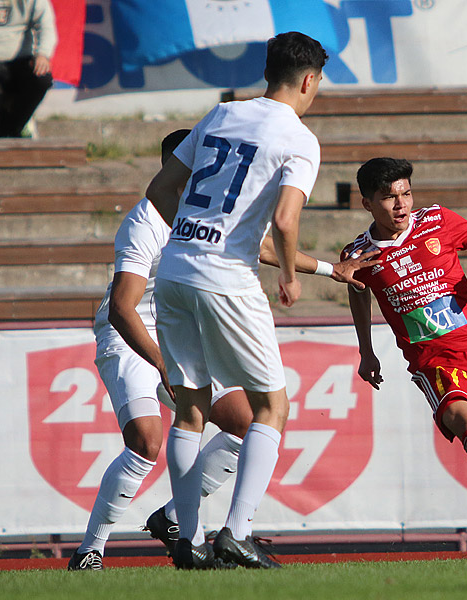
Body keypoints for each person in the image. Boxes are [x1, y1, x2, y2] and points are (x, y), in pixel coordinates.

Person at [68, 129, 376, 571]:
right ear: (174, 167)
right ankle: (89, 551)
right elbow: (121, 308)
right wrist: (162, 365)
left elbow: (264, 246)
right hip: (134, 335)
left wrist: (331, 269)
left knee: (246, 424)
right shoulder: (144, 221)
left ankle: (173, 520)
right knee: (145, 441)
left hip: (183, 330)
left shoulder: (211, 213)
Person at [145, 31, 335, 570]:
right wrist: (292, 279)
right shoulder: (299, 137)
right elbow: (284, 219)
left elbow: (161, 191)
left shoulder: (220, 114)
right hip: (228, 278)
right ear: (308, 81)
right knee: (271, 407)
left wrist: (189, 239)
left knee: (190, 407)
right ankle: (238, 533)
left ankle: (187, 542)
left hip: (176, 271)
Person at [342, 157, 467, 563]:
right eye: (388, 197)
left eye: (405, 194)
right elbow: (357, 289)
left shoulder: (437, 220)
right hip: (435, 361)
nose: (400, 205)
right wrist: (366, 350)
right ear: (368, 203)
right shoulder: (359, 254)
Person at [0, 0, 56, 137]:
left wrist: (43, 54)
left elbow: (46, 25)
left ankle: (13, 128)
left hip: (22, 60)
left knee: (41, 79)